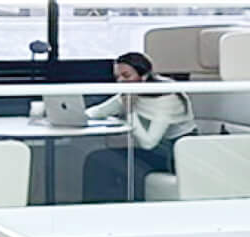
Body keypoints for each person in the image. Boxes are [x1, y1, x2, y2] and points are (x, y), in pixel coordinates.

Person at [80, 52, 194, 202]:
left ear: (144, 77)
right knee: (96, 158)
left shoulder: (167, 99)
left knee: (128, 167)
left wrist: (130, 112)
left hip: (175, 153)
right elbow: (97, 112)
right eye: (117, 77)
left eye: (126, 76)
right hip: (157, 150)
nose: (120, 82)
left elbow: (148, 143)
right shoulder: (130, 93)